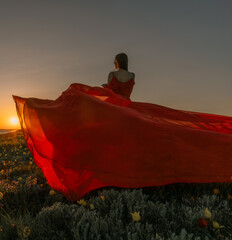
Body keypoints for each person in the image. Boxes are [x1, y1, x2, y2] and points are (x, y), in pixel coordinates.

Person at [12, 54, 232, 202]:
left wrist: (90, 96)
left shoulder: (112, 75)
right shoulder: (133, 76)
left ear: (117, 63)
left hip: (116, 109)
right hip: (127, 108)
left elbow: (108, 91)